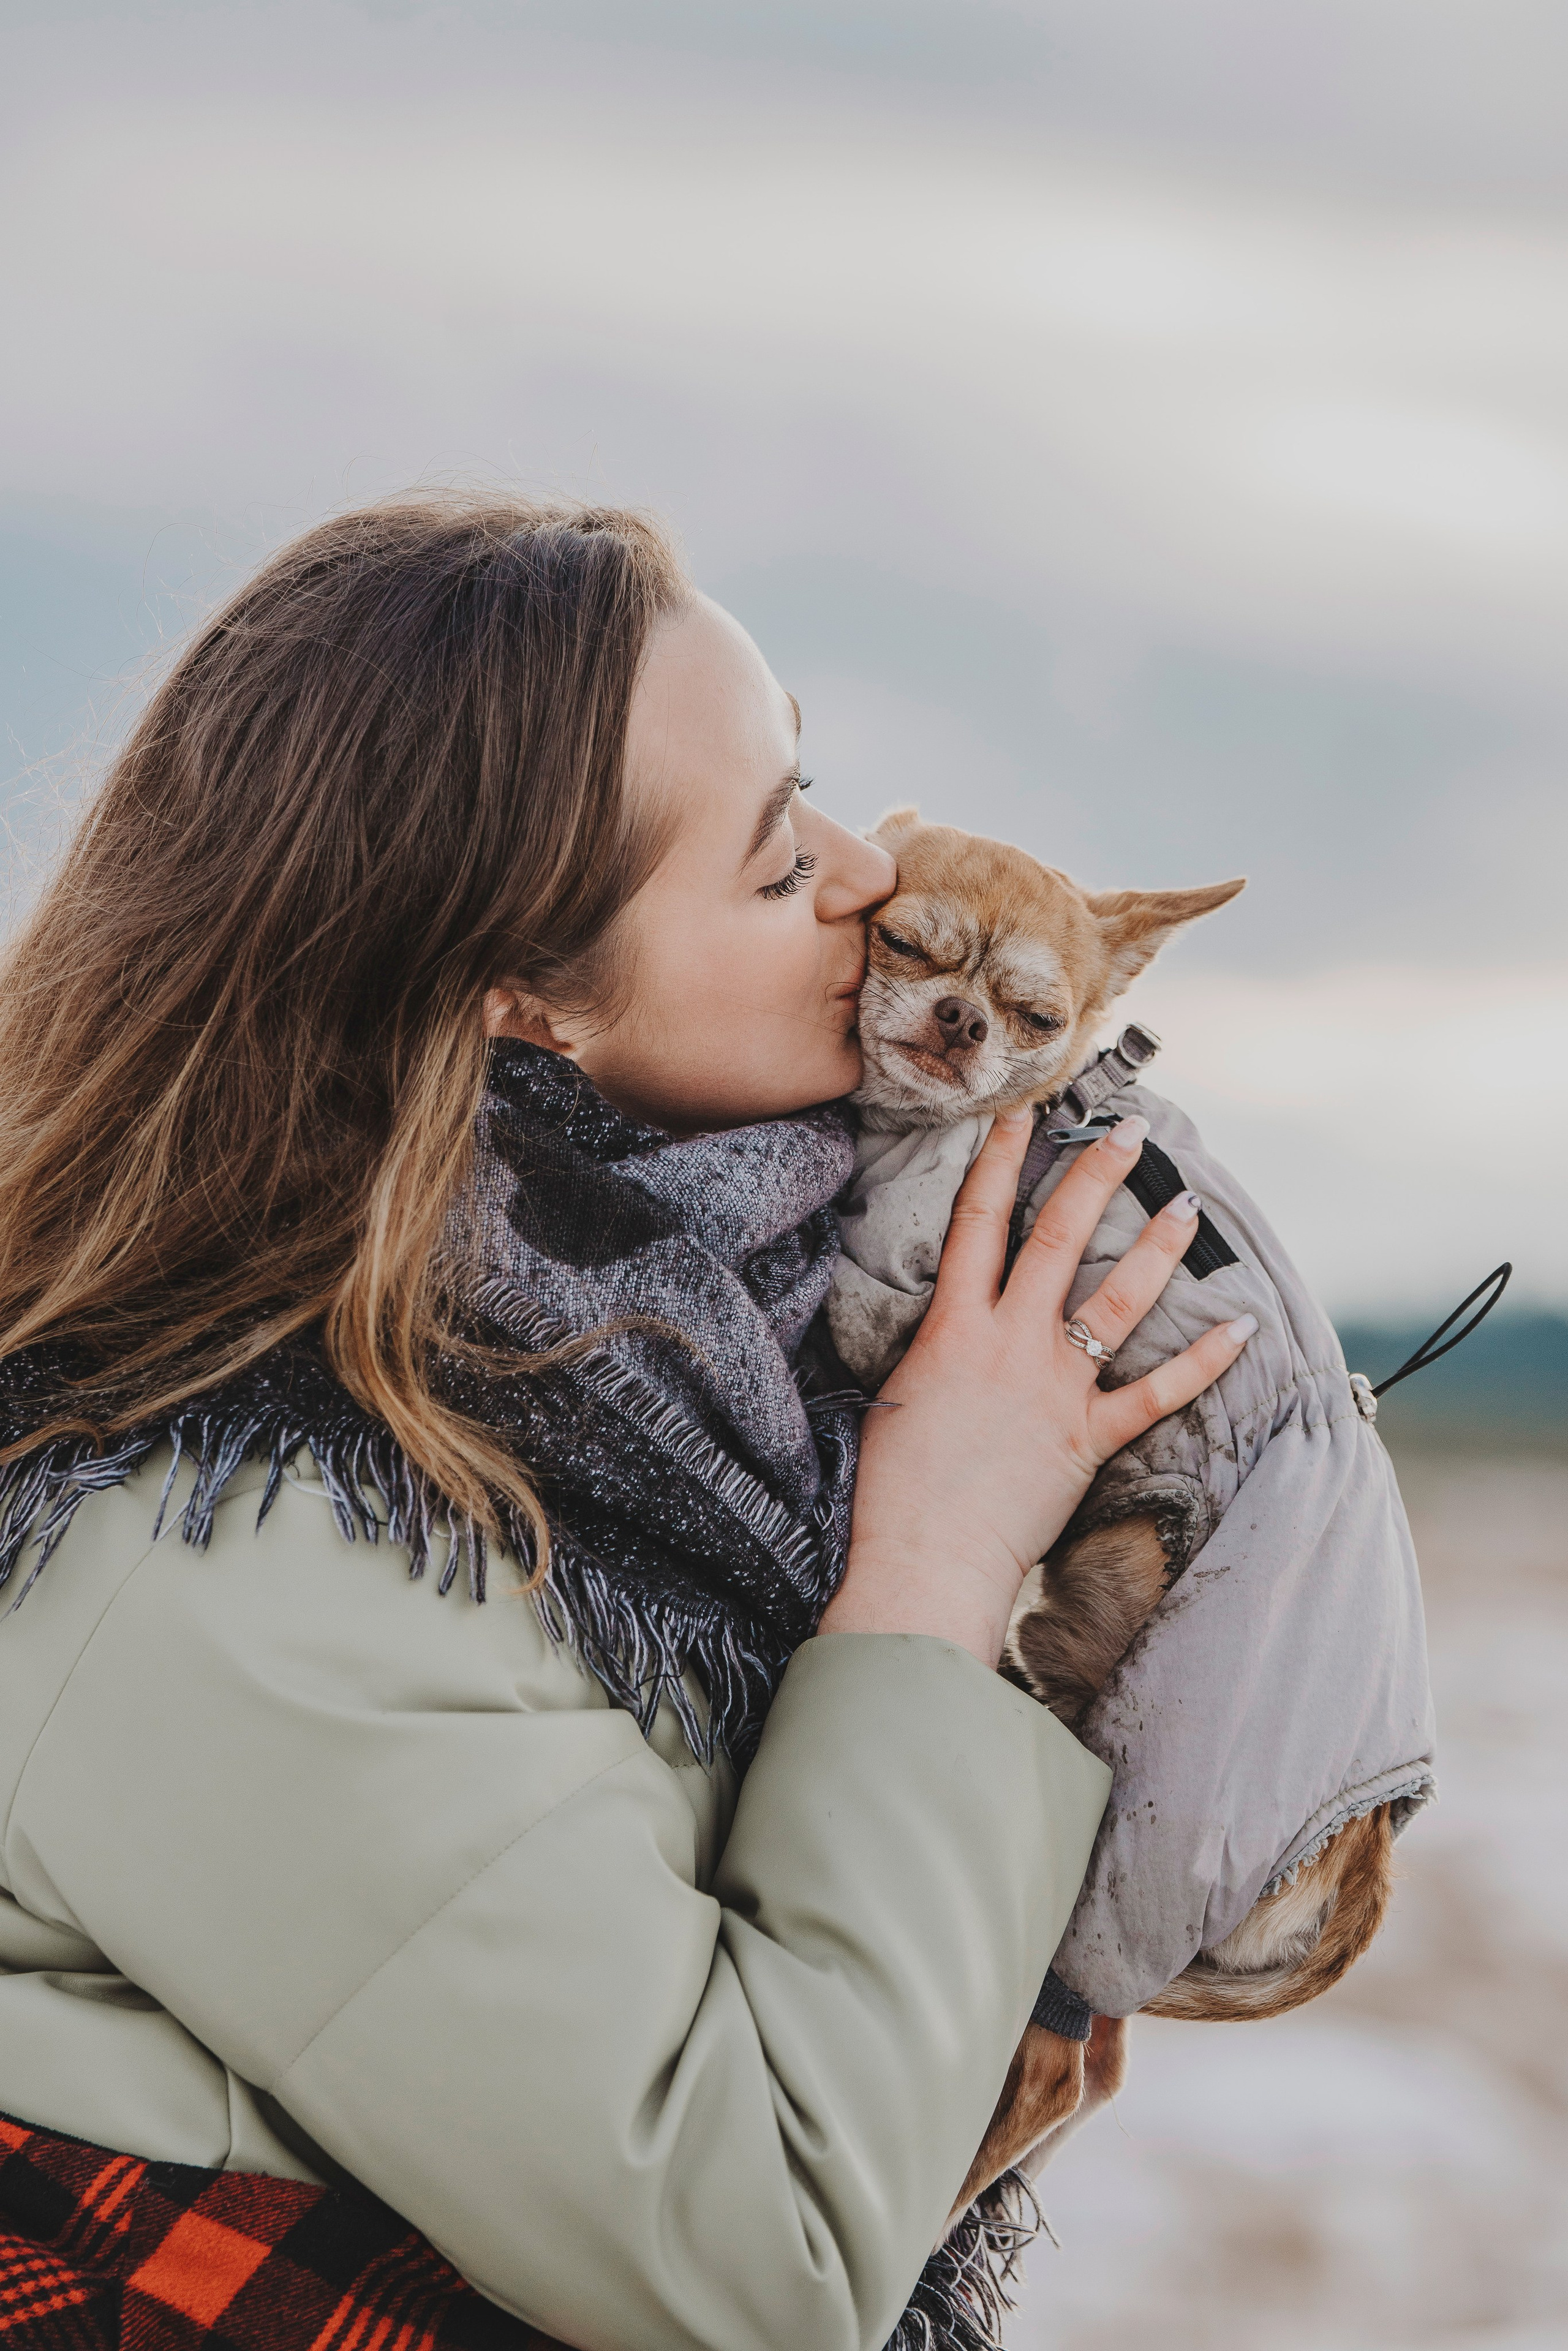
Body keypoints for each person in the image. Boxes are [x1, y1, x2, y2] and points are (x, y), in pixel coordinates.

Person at [0, 496, 1251, 2351]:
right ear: (522, 998)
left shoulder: (636, 1363)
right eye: (767, 862)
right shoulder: (214, 1544)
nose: (859, 870)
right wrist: (935, 1559)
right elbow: (765, 2253)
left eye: (811, 783)